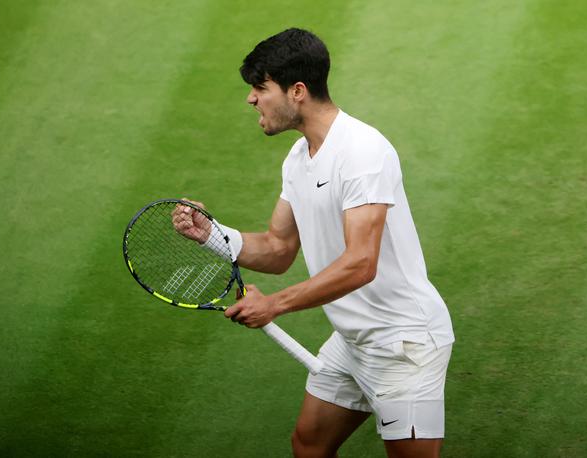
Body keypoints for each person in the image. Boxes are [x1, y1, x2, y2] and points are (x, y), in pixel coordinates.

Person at [172, 28, 455, 458]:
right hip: (353, 339)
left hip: (404, 345)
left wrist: (275, 305)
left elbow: (362, 263)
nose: (251, 99)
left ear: (297, 91)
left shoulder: (362, 152)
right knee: (309, 446)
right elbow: (278, 247)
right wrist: (210, 234)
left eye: (260, 87)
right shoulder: (299, 158)